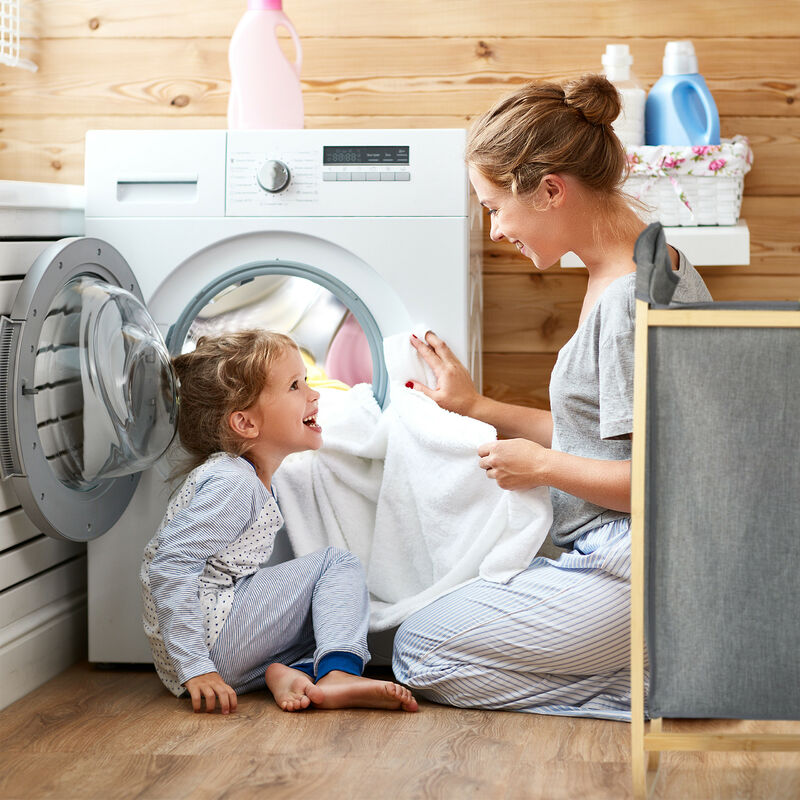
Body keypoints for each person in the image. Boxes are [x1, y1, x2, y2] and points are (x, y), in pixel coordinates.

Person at [391, 74, 712, 720]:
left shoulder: (627, 301)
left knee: (414, 651)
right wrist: (478, 408)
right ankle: (658, 675)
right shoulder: (650, 260)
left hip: (633, 570)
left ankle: (659, 691)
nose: (495, 230)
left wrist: (537, 468)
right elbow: (597, 434)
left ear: (549, 191)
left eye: (493, 207)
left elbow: (659, 481)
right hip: (640, 559)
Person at [140, 330, 418, 715]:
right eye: (294, 386)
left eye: (305, 381)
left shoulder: (245, 478)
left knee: (327, 611)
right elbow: (170, 565)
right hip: (207, 644)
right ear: (246, 424)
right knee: (336, 566)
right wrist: (196, 667)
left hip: (213, 645)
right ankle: (339, 675)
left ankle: (284, 673)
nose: (313, 393)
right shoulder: (233, 482)